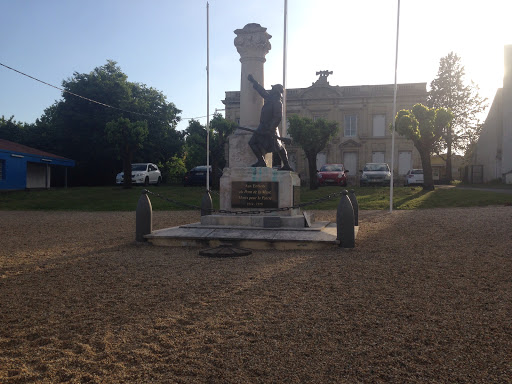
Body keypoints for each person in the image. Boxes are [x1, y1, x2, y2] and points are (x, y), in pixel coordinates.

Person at [247, 74, 293, 171]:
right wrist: (254, 82)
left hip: (270, 128)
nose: (270, 90)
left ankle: (286, 165)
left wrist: (271, 129)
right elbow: (262, 91)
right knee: (252, 142)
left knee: (278, 146)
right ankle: (261, 161)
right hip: (262, 126)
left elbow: (277, 117)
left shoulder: (277, 102)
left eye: (272, 89)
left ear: (275, 91)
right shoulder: (270, 99)